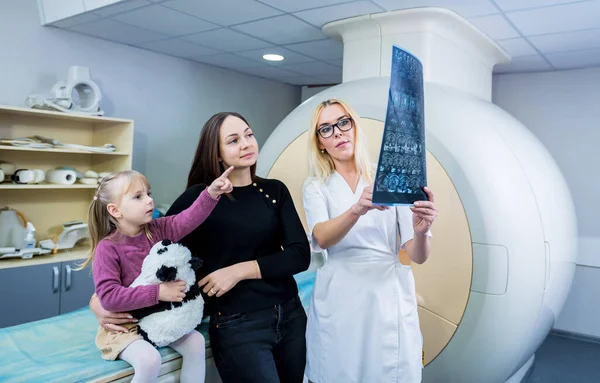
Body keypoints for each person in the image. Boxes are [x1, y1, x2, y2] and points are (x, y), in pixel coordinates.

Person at [91, 112, 311, 383]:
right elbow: (146, 257)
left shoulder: (274, 191)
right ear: (216, 154)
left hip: (289, 314)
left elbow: (299, 255)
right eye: (233, 140)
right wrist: (97, 302)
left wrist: (237, 271)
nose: (246, 143)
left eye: (249, 134)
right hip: (237, 322)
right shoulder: (200, 198)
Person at [302, 99, 438, 383]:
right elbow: (322, 237)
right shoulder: (315, 185)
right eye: (325, 129)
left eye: (343, 122)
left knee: (387, 371)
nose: (337, 133)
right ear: (320, 143)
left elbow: (417, 254)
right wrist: (357, 209)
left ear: (354, 127)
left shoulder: (390, 177)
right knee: (339, 370)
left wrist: (422, 230)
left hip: (385, 292)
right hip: (339, 292)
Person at [84, 167, 234, 383]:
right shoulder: (108, 248)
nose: (149, 201)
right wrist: (159, 292)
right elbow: (109, 297)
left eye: (148, 193)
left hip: (157, 318)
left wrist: (211, 193)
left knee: (196, 343)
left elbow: (188, 219)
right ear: (115, 210)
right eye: (138, 196)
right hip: (124, 326)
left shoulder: (157, 230)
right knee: (149, 360)